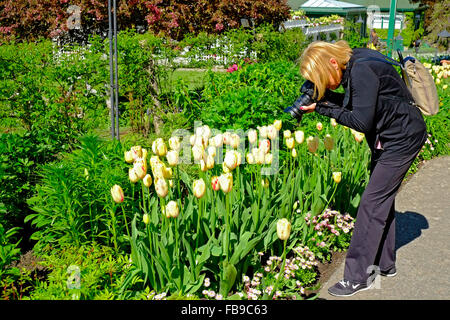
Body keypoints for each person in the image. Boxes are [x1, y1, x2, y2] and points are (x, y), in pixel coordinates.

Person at [298, 41, 428, 297]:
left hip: (402, 139)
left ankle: (357, 277)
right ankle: (384, 263)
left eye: (323, 78)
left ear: (333, 63)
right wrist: (324, 100)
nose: (325, 85)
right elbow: (359, 103)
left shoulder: (360, 71)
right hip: (392, 135)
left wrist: (324, 108)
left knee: (371, 204)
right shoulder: (355, 59)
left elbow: (360, 120)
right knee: (381, 199)